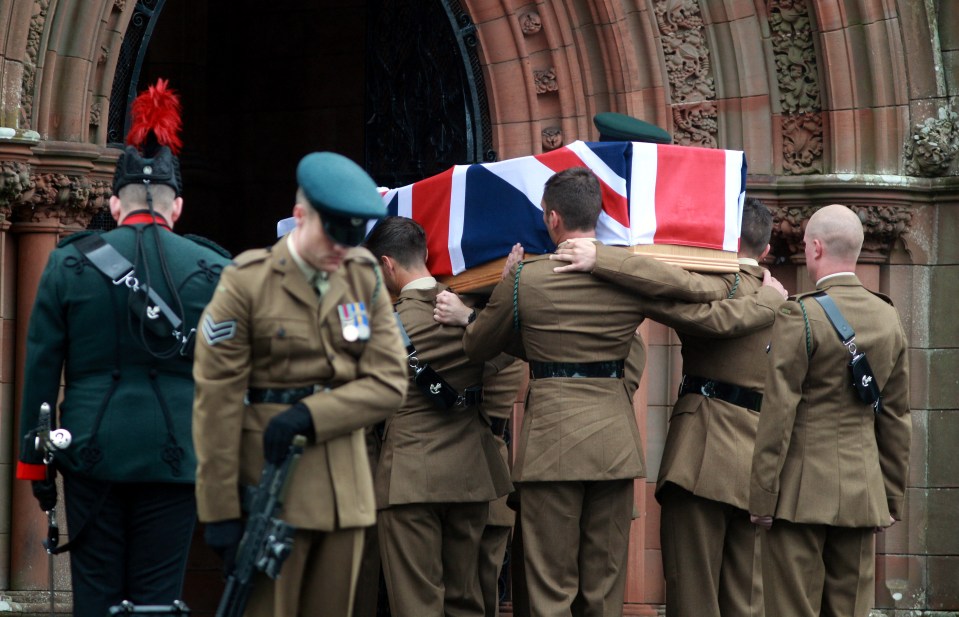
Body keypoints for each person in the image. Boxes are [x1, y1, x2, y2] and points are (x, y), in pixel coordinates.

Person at [436, 167, 722, 617]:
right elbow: (698, 289)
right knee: (604, 589)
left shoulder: (525, 278)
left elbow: (478, 346)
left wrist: (495, 293)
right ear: (599, 215)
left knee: (551, 590)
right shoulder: (628, 279)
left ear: (552, 219)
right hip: (613, 446)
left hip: (551, 445)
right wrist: (614, 261)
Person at [15, 79, 231, 616]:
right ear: (176, 207)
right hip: (176, 455)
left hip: (91, 451)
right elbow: (231, 377)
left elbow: (40, 374)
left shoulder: (68, 263)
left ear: (113, 204)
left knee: (96, 601)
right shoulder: (214, 269)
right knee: (159, 600)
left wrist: (36, 470)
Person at [192, 152, 408, 617]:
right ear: (299, 216)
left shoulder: (361, 276)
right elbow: (217, 400)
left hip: (344, 491)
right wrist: (220, 511)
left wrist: (311, 415)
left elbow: (391, 380)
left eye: (351, 238)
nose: (340, 249)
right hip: (272, 489)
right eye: (331, 234)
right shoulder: (247, 280)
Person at [550, 198, 788, 617]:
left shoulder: (719, 287)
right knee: (748, 599)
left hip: (701, 455)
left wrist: (601, 259)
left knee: (692, 593)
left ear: (722, 241)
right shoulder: (790, 305)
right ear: (766, 250)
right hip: (759, 463)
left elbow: (660, 289)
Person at [748, 204, 911, 617]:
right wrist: (889, 497)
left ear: (816, 248)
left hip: (799, 494)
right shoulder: (888, 317)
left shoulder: (799, 312)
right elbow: (894, 416)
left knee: (790, 608)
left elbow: (778, 413)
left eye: (805, 244)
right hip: (861, 492)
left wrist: (762, 497)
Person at [363, 216, 512, 616]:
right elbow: (508, 354)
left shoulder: (381, 324)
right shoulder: (471, 313)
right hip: (470, 476)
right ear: (426, 254)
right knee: (465, 600)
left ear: (387, 266)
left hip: (409, 479)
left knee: (417, 602)